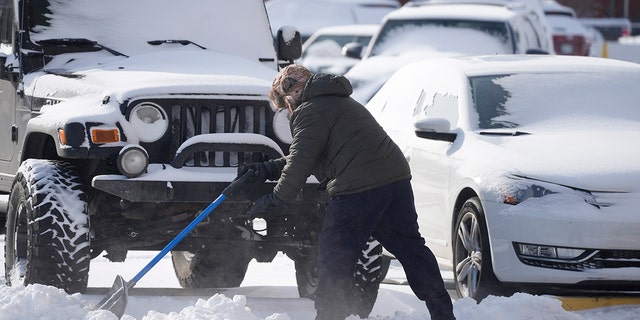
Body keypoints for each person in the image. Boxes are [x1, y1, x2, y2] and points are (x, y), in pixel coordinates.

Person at [240, 65, 456, 320]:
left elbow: (301, 160)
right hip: (395, 179)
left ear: (291, 94)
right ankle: (442, 312)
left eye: (284, 104)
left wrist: (277, 199)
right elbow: (314, 153)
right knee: (410, 248)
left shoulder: (309, 111)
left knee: (334, 254)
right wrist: (268, 169)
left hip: (358, 187)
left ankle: (329, 316)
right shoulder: (338, 102)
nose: (287, 111)